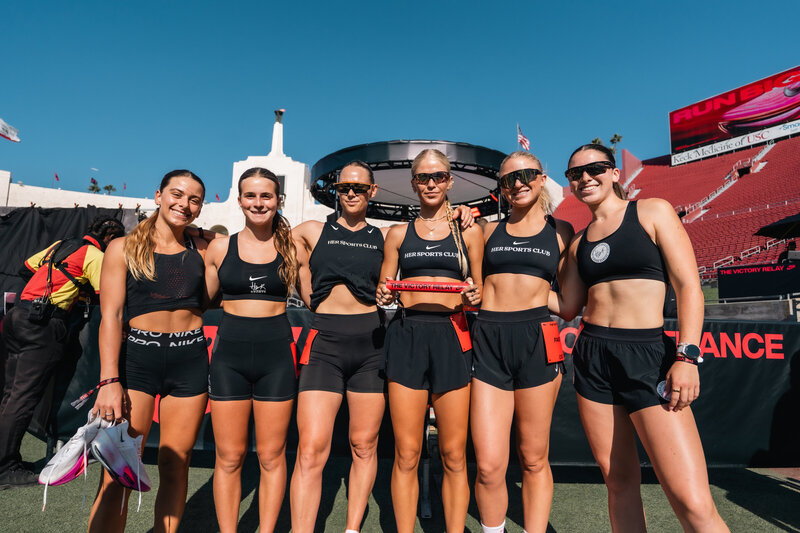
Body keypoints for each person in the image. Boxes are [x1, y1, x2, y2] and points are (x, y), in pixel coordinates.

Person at [551, 144, 729, 532]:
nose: (585, 178)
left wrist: (687, 356)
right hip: (593, 358)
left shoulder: (652, 211)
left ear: (614, 173)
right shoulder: (580, 242)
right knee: (619, 484)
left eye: (595, 168)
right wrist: (503, 288)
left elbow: (689, 287)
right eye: (575, 174)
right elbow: (567, 307)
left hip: (650, 357)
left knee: (692, 502)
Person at [290, 160, 475, 533]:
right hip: (334, 339)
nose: (352, 193)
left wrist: (466, 212)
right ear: (336, 191)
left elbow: (474, 283)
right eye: (345, 188)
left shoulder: (394, 234)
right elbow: (283, 248)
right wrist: (306, 289)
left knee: (372, 446)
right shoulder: (318, 230)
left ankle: (352, 528)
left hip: (383, 341)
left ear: (373, 191)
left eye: (360, 187)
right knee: (313, 450)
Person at [88, 170, 210, 533]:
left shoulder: (203, 249)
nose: (184, 204)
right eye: (177, 194)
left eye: (194, 200)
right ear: (158, 196)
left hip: (189, 360)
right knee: (120, 467)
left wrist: (205, 235)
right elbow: (109, 316)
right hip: (138, 361)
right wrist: (109, 380)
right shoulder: (121, 248)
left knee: (177, 463)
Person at [377, 149, 483, 533]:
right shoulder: (398, 233)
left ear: (450, 181)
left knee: (455, 455)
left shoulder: (469, 229)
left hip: (453, 335)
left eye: (439, 176)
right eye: (424, 177)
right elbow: (385, 286)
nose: (432, 183)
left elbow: (481, 287)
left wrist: (475, 295)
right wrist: (384, 294)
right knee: (406, 454)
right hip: (406, 335)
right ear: (413, 183)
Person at [471, 151, 573, 533]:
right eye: (509, 179)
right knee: (489, 465)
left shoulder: (562, 232)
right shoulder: (485, 230)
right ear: (501, 188)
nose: (518, 183)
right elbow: (476, 290)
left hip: (537, 339)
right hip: (489, 341)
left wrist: (531, 295)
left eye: (527, 174)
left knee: (533, 458)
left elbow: (570, 304)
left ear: (542, 178)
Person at [203, 167, 302, 533]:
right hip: (229, 357)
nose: (258, 203)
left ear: (278, 200)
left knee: (272, 456)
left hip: (276, 357)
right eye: (250, 196)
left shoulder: (293, 247)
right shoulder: (219, 246)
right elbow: (199, 300)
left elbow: (316, 296)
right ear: (239, 199)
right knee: (228, 457)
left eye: (266, 196)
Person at [0, 216, 125, 489]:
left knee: (10, 393)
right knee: (22, 396)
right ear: (110, 241)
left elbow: (25, 269)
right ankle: (6, 467)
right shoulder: (95, 255)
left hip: (18, 315)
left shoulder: (60, 245)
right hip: (45, 324)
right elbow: (105, 295)